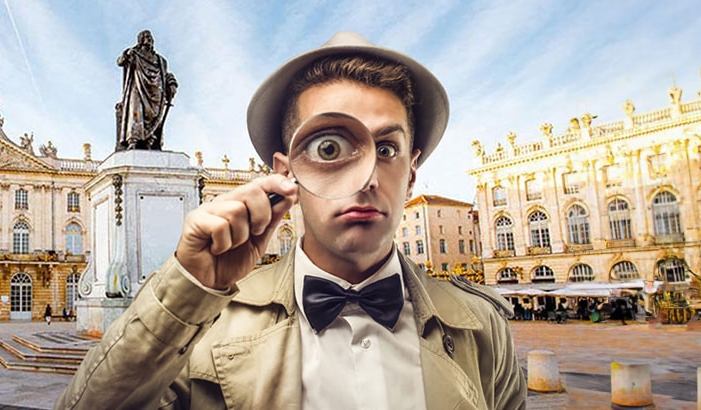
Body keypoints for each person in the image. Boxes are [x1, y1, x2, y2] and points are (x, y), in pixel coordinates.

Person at [59, 32, 523, 409]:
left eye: (386, 149)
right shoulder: (206, 326)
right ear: (286, 173)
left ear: (411, 175)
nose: (365, 180)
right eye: (329, 148)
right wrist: (184, 294)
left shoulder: (482, 327)